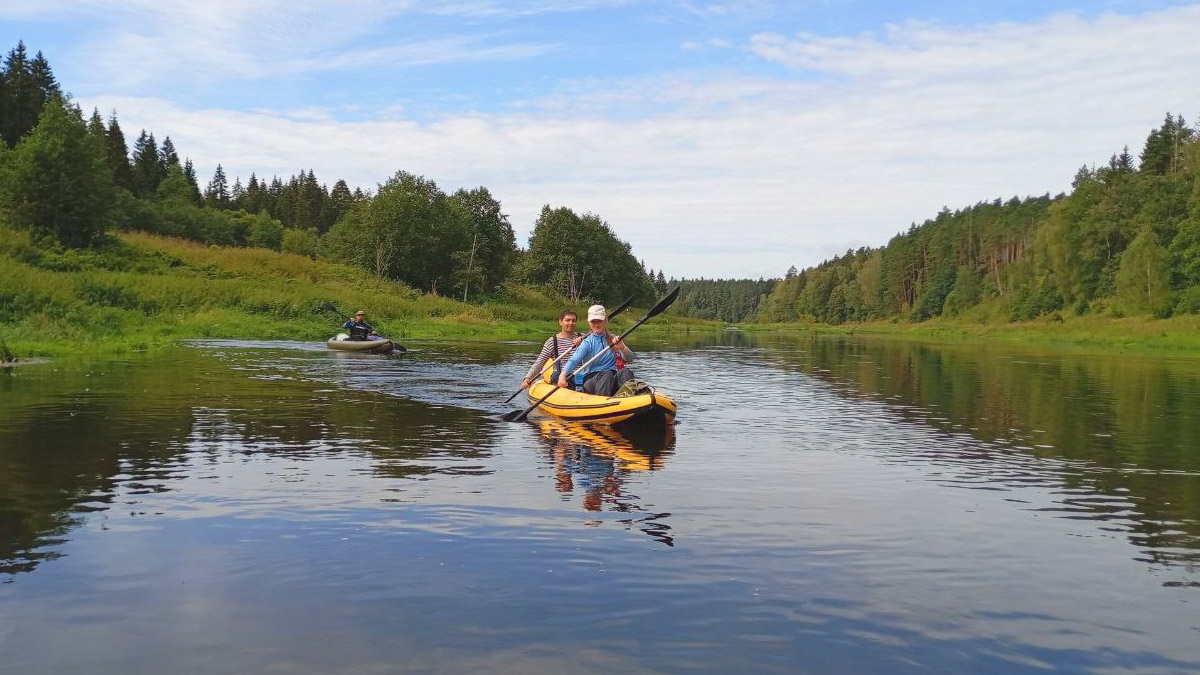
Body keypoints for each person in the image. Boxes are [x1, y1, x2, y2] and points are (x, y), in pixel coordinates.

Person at [558, 304, 634, 396]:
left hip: (611, 376)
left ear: (605, 321)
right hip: (590, 380)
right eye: (593, 322)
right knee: (607, 375)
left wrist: (622, 348)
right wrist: (562, 375)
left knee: (625, 372)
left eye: (599, 321)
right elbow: (574, 360)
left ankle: (629, 399)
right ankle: (603, 404)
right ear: (589, 323)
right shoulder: (587, 342)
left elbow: (630, 358)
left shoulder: (614, 340)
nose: (597, 324)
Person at [523, 309, 581, 389]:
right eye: (567, 320)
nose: (571, 323)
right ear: (560, 322)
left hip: (581, 375)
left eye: (573, 321)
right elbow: (540, 362)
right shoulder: (552, 342)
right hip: (564, 378)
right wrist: (528, 378)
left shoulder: (583, 338)